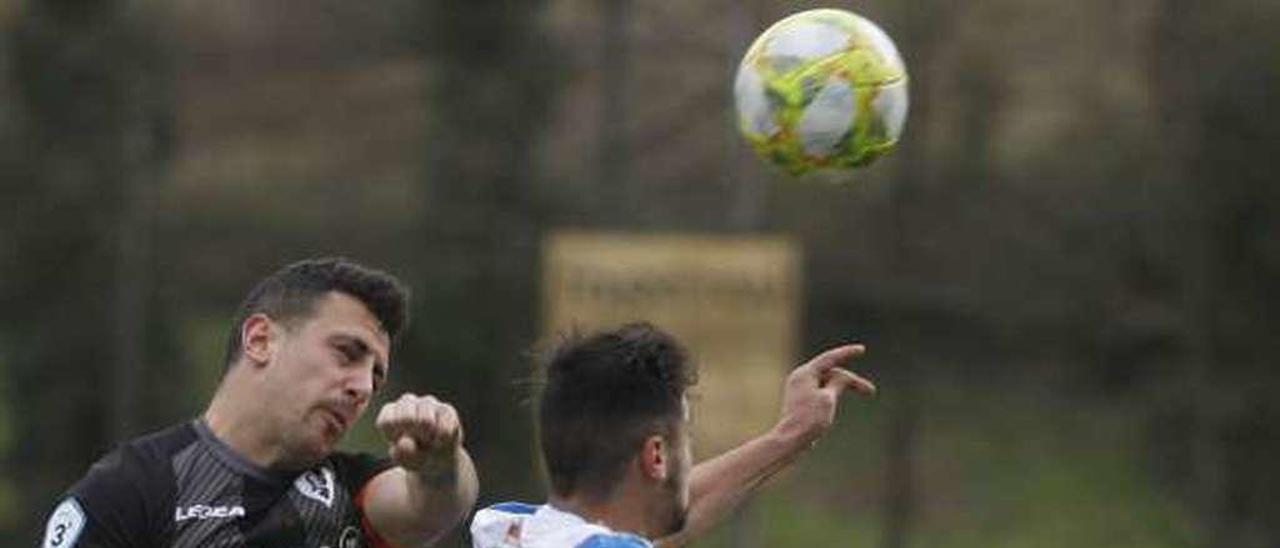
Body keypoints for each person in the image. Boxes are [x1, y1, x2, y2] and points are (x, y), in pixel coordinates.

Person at [39, 257, 479, 548]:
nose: (363, 387)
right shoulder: (130, 490)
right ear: (260, 340)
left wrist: (441, 460)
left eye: (376, 376)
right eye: (347, 353)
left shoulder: (350, 488)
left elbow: (434, 507)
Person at [470, 322, 875, 548]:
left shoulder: (504, 527)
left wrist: (790, 436)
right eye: (687, 439)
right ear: (657, 456)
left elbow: (657, 524)